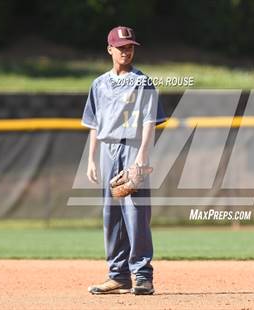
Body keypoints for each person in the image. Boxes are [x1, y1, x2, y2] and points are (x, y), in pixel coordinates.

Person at [82, 26, 166, 295]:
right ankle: (117, 276)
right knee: (112, 214)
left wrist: (142, 155)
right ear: (110, 50)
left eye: (130, 47)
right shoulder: (98, 84)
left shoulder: (142, 82)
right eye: (121, 47)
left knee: (135, 212)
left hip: (131, 147)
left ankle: (142, 275)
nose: (126, 51)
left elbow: (150, 121)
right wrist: (91, 159)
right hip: (106, 149)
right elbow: (94, 124)